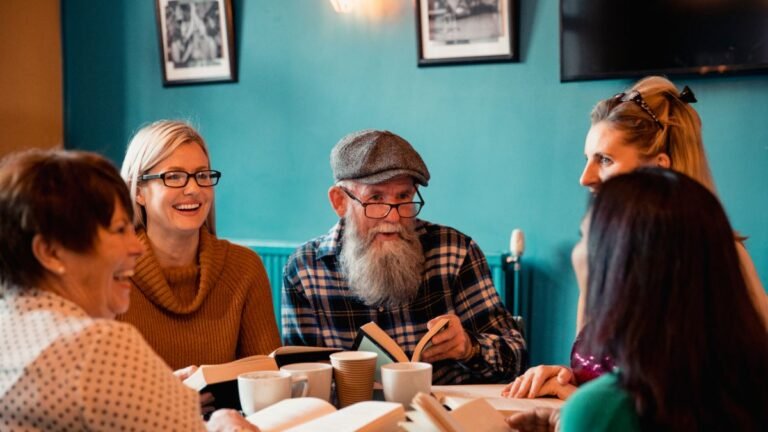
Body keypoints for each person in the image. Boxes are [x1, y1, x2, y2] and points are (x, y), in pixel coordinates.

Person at [504, 75, 768, 400]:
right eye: (587, 158)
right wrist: (566, 378)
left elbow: (717, 404)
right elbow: (602, 379)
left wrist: (576, 400)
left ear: (658, 170)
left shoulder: (718, 255)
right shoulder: (599, 256)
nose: (584, 178)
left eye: (605, 160)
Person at [0, 149, 258, 431]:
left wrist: (154, 393)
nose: (135, 247)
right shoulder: (96, 345)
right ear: (50, 253)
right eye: (119, 229)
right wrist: (220, 424)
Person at [508, 169, 768, 431]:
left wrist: (584, 417)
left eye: (585, 237)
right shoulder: (746, 388)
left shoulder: (602, 408)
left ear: (623, 264)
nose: (586, 177)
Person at [282, 129, 526, 384]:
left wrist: (469, 347)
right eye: (376, 197)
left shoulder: (455, 251)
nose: (394, 217)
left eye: (403, 197)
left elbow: (517, 358)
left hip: (443, 415)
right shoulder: (304, 270)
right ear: (340, 202)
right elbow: (300, 379)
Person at [119, 120, 280, 370]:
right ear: (138, 190)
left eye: (202, 175)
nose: (194, 189)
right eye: (174, 176)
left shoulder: (245, 268)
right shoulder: (110, 273)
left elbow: (268, 376)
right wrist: (167, 392)